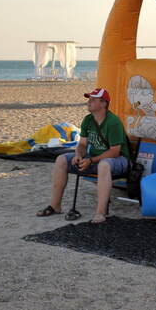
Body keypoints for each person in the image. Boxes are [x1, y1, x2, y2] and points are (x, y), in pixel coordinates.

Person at [38, 88, 130, 223]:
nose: (89, 102)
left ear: (103, 103)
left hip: (119, 161)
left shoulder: (113, 122)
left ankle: (100, 212)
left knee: (104, 165)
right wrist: (78, 155)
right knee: (61, 159)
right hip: (95, 160)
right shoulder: (88, 120)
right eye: (89, 99)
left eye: (93, 99)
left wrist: (91, 160)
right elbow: (82, 144)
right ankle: (55, 205)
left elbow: (114, 152)